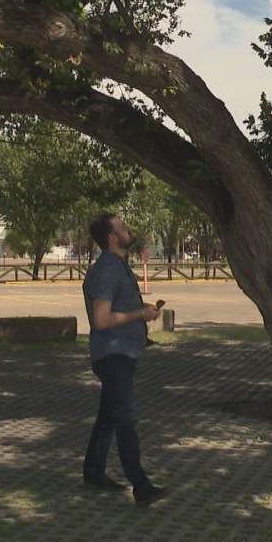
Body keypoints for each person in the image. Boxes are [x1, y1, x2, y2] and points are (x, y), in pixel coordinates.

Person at [81, 213, 167, 507]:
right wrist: (138, 315)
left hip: (123, 352)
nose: (128, 229)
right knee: (125, 418)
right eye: (122, 227)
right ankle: (140, 485)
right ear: (112, 237)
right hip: (112, 354)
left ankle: (93, 472)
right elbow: (102, 320)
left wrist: (143, 310)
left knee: (108, 416)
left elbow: (119, 308)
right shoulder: (106, 270)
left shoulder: (119, 266)